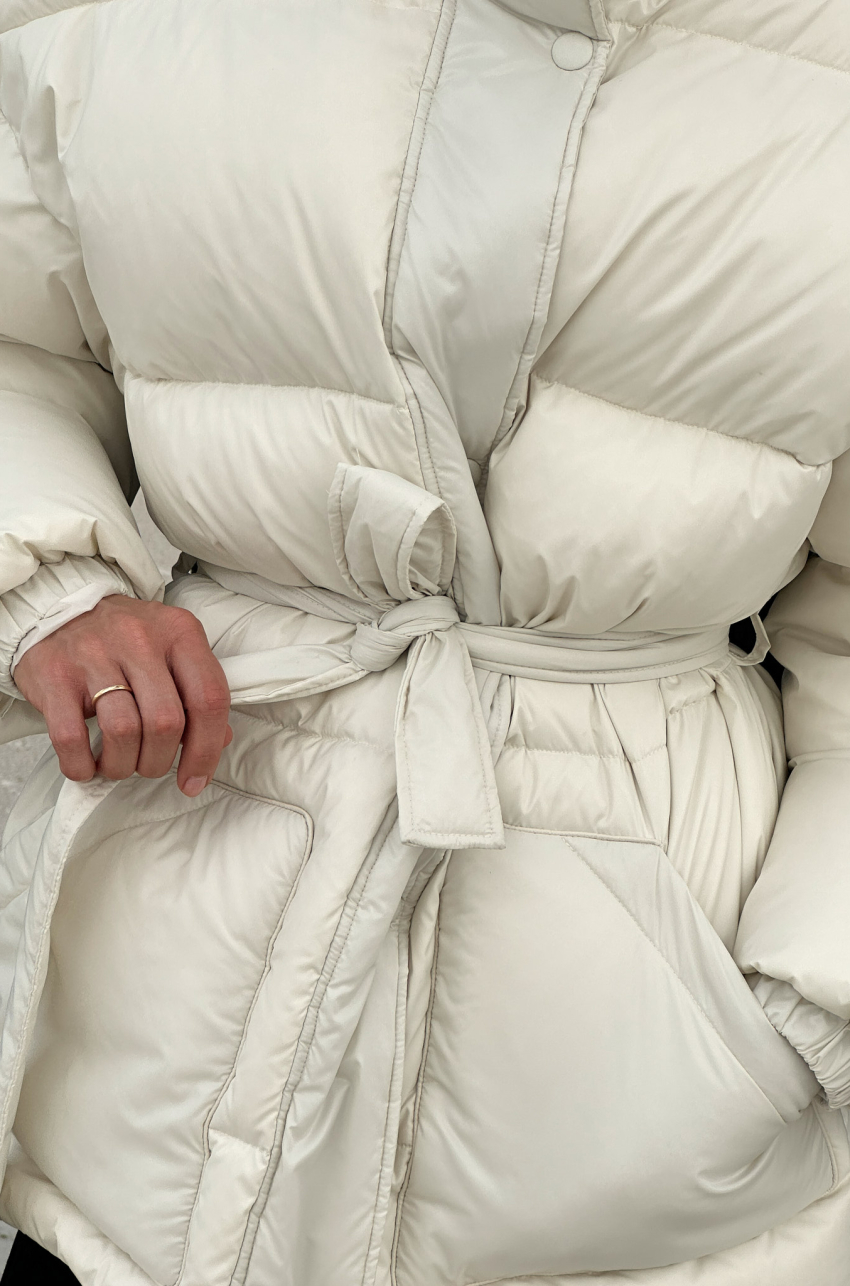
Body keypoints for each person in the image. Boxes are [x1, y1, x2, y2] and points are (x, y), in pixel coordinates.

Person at [0, 0, 849, 1282]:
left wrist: (813, 1007)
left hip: (635, 1099)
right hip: (160, 999)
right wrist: (47, 578)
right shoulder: (124, 21)